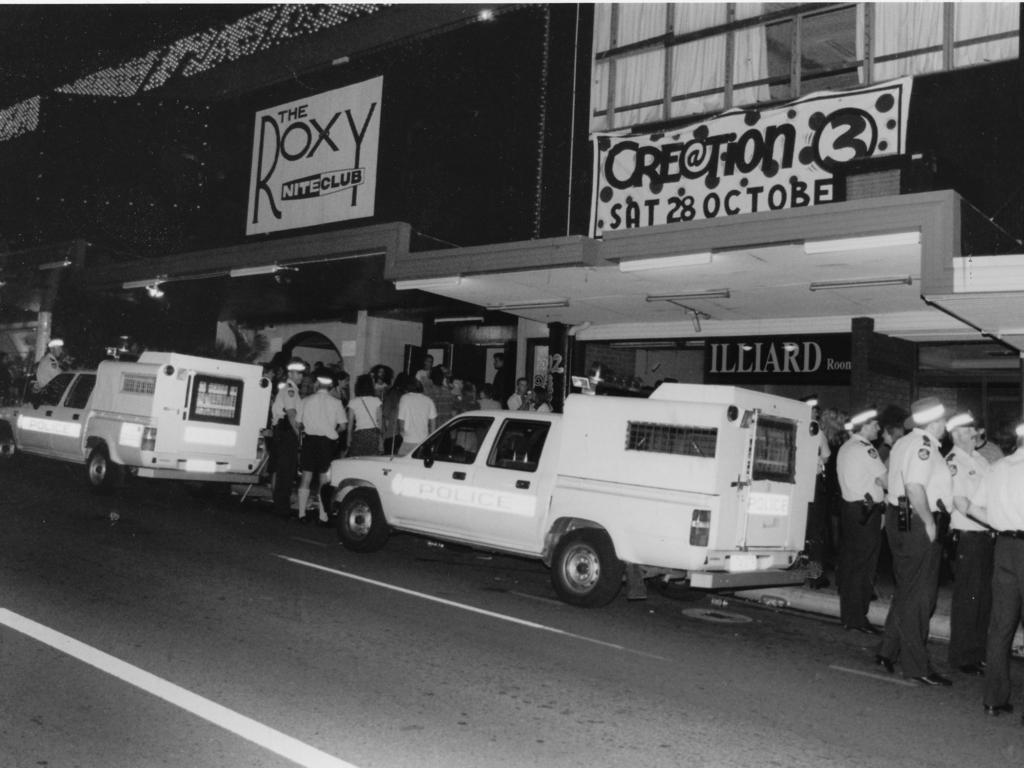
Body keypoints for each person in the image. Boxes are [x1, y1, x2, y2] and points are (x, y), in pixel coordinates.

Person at [876, 396, 954, 686]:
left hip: (901, 519)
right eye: (943, 420)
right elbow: (914, 486)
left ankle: (887, 650)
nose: (945, 426)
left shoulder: (904, 443)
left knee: (908, 590)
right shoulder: (923, 447)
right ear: (934, 421)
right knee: (921, 597)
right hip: (918, 522)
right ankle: (916, 665)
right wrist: (930, 521)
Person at [968, 422, 1024, 719]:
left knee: (1000, 627)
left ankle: (993, 699)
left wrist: (1002, 522)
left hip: (1003, 546)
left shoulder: (999, 466)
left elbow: (973, 508)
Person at [943, 411, 993, 676]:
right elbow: (961, 503)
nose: (975, 434)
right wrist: (991, 521)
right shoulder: (954, 462)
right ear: (958, 434)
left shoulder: (980, 460)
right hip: (969, 536)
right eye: (969, 430)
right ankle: (962, 655)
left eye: (974, 430)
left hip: (985, 535)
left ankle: (979, 651)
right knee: (968, 598)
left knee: (984, 598)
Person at [836, 407, 887, 634]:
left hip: (851, 511)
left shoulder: (846, 447)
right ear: (865, 426)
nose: (878, 428)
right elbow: (886, 481)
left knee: (852, 564)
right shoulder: (867, 450)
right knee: (864, 566)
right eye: (875, 424)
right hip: (866, 513)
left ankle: (849, 615)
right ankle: (858, 617)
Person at [295, 373, 347, 523]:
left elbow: (298, 423)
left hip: (310, 441)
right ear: (330, 386)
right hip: (327, 443)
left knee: (306, 476)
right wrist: (333, 434)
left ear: (317, 384)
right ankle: (323, 515)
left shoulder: (306, 400)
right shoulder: (336, 402)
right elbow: (343, 425)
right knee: (324, 479)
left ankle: (301, 514)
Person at [270, 358, 306, 518]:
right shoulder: (290, 390)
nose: (301, 376)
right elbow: (291, 414)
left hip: (284, 431)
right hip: (286, 431)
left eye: (302, 373)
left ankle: (281, 505)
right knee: (286, 470)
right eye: (298, 373)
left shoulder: (292, 389)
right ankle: (281, 508)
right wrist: (299, 436)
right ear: (290, 373)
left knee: (286, 470)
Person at [396, 377, 436, 456]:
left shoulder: (405, 398)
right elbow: (433, 423)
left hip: (408, 440)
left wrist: (402, 433)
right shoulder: (429, 400)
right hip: (423, 440)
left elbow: (401, 420)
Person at [346, 373, 383, 457]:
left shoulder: (353, 402)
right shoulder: (376, 400)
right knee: (371, 460)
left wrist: (348, 439)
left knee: (357, 460)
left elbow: (350, 424)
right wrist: (381, 441)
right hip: (373, 435)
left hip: (359, 435)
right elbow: (380, 423)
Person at [381, 372, 409, 456]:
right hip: (397, 431)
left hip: (393, 431)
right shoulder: (400, 394)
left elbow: (385, 414)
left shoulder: (392, 393)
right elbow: (386, 414)